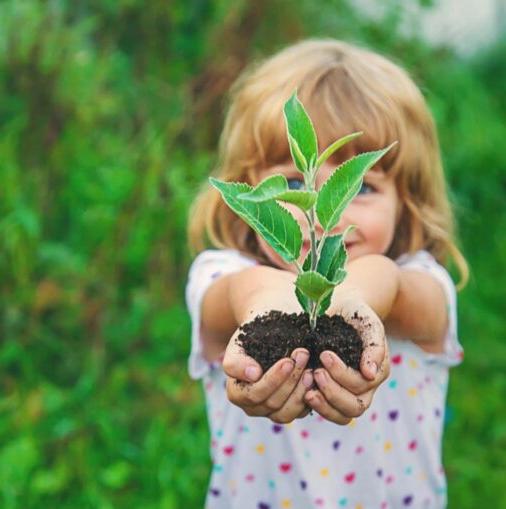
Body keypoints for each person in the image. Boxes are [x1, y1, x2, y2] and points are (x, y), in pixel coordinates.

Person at [186, 38, 469, 509]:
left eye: (359, 186)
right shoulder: (221, 275)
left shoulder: (421, 282)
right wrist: (266, 309)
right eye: (295, 185)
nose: (321, 216)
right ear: (249, 189)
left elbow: (394, 290)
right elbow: (240, 294)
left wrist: (350, 299)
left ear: (408, 203)